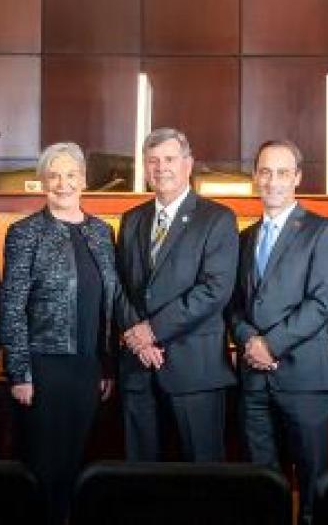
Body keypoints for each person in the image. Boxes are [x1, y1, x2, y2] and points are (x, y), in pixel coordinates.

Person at [0, 142, 119, 525]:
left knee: (79, 466)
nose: (63, 183)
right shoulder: (25, 232)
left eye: (71, 175)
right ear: (42, 181)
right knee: (43, 468)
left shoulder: (101, 232)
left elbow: (108, 307)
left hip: (87, 370)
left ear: (84, 180)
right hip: (43, 370)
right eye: (54, 175)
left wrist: (107, 366)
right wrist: (19, 372)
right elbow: (12, 305)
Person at [225, 140, 328, 525]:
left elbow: (322, 303)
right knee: (263, 490)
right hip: (254, 384)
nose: (272, 180)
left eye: (281, 172)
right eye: (264, 171)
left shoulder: (323, 230)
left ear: (297, 177)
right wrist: (247, 340)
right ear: (255, 177)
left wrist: (269, 345)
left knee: (312, 493)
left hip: (305, 381)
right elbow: (235, 306)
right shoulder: (244, 238)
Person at [115, 127, 238, 461]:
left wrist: (152, 330)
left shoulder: (218, 219)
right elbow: (119, 286)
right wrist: (138, 338)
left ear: (188, 164)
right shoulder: (131, 220)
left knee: (201, 478)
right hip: (138, 368)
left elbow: (214, 290)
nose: (161, 167)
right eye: (152, 161)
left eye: (169, 159)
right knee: (141, 478)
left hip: (194, 370)